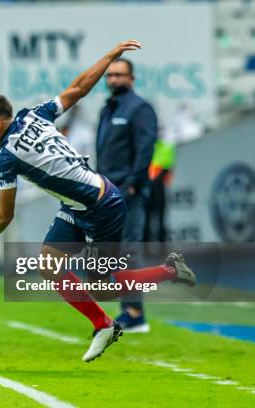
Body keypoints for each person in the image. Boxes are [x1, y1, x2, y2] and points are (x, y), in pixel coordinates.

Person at [0, 40, 195, 362]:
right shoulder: (34, 115)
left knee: (102, 286)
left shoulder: (6, 157)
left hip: (102, 207)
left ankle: (170, 270)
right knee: (48, 263)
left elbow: (5, 214)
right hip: (78, 205)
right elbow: (78, 88)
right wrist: (111, 54)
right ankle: (103, 323)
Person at [95, 58, 157, 332]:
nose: (113, 80)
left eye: (119, 75)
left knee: (129, 251)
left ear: (131, 78)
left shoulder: (140, 108)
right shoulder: (107, 109)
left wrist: (133, 183)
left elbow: (145, 148)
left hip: (127, 192)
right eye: (109, 76)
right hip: (107, 191)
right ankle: (128, 310)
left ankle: (134, 312)